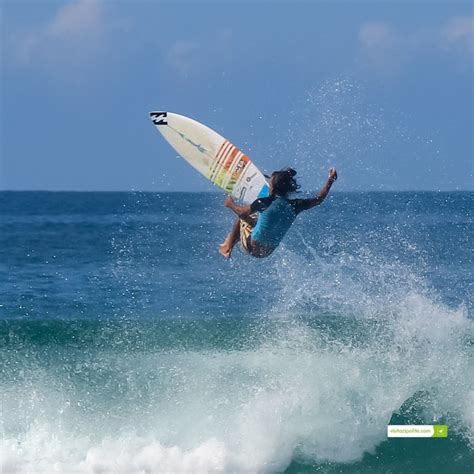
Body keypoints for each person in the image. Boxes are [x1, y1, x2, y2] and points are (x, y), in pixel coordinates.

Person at [219, 167, 338, 258]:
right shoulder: (296, 205)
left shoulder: (264, 202)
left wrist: (230, 204)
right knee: (258, 218)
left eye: (270, 183)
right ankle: (235, 241)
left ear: (272, 188)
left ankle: (227, 246)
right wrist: (330, 180)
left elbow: (241, 212)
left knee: (242, 218)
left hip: (251, 247)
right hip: (267, 252)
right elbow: (319, 199)